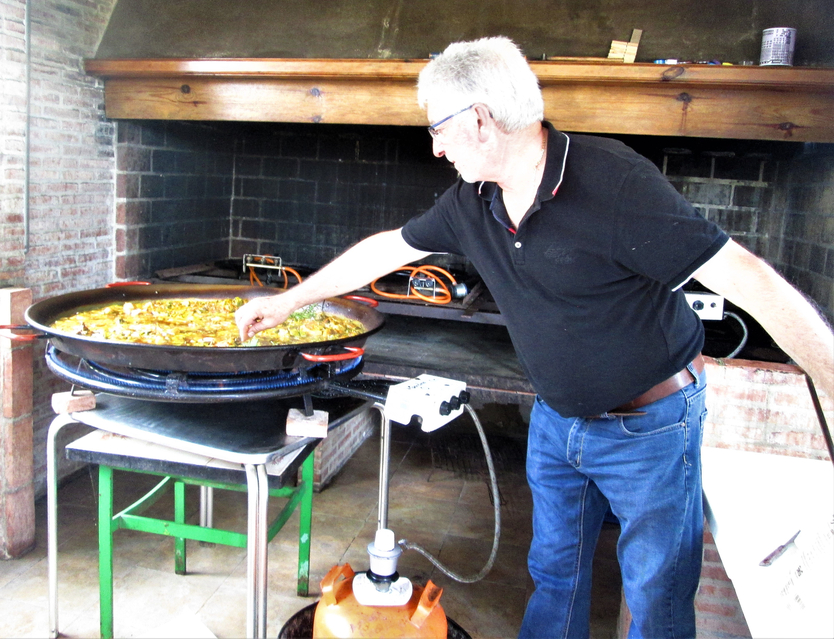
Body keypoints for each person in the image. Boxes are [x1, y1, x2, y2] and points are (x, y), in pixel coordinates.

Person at [236, 37, 833, 639]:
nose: (437, 149)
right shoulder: (472, 202)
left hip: (651, 427)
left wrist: (833, 378)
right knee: (554, 576)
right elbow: (387, 248)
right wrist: (288, 300)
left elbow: (747, 277)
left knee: (657, 595)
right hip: (555, 420)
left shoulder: (616, 182)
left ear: (480, 121)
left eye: (439, 130)